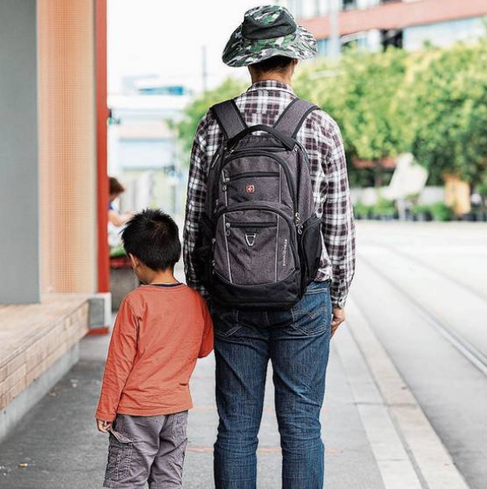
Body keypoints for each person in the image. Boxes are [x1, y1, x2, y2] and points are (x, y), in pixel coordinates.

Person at [183, 5, 355, 489]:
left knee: (236, 427)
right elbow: (339, 224)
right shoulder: (319, 125)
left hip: (231, 295)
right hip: (304, 296)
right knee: (301, 426)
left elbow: (196, 219)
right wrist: (336, 295)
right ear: (293, 61)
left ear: (248, 62)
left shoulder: (213, 125)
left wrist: (202, 290)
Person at [96, 209, 214, 489]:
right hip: (175, 410)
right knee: (168, 481)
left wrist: (106, 409)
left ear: (135, 260)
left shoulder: (135, 302)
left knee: (126, 481)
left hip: (137, 411)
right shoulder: (195, 301)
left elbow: (118, 363)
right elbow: (205, 347)